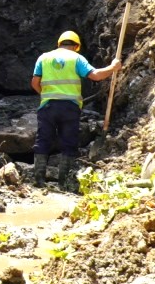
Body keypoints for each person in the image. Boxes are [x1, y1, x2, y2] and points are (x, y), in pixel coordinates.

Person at [31, 30, 119, 182]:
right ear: (76, 46)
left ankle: (38, 179)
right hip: (70, 108)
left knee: (43, 139)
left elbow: (34, 83)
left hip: (47, 106)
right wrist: (113, 67)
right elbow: (96, 75)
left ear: (59, 44)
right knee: (69, 141)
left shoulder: (44, 58)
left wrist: (45, 95)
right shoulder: (77, 58)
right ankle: (63, 180)